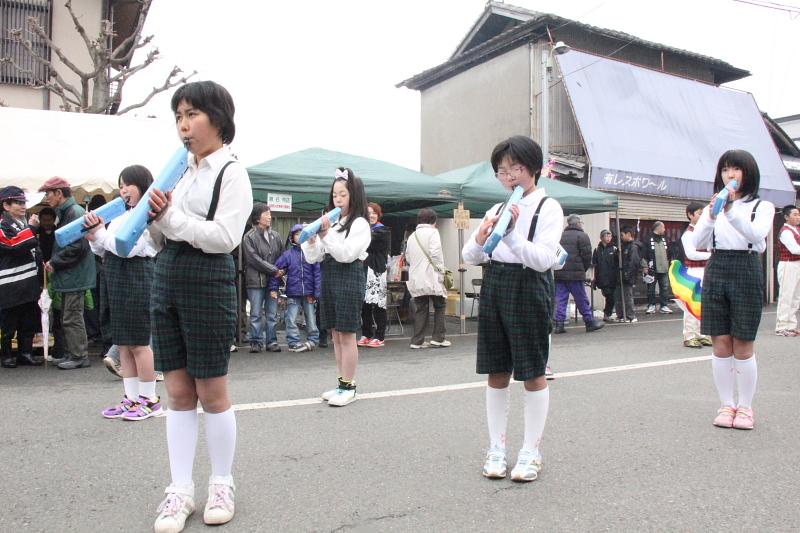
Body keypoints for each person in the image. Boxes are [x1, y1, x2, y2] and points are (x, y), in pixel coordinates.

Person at [147, 81, 252, 532]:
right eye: (178, 117)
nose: (183, 126)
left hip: (208, 280)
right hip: (167, 275)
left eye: (192, 115)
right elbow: (160, 238)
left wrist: (171, 218)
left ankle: (222, 482)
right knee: (177, 392)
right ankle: (180, 490)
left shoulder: (232, 172)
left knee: (211, 391)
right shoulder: (178, 172)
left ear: (218, 119)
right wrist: (154, 219)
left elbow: (225, 237)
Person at [462, 135, 563, 483]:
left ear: (532, 168)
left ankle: (531, 451)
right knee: (496, 371)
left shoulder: (549, 207)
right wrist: (482, 237)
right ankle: (497, 448)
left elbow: (544, 260)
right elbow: (470, 256)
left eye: (515, 169)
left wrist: (513, 236)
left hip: (529, 285)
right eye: (502, 171)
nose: (509, 177)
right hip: (496, 283)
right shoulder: (496, 208)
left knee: (532, 372)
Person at [693, 149, 774, 431]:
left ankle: (746, 407)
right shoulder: (713, 205)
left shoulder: (762, 206)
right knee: (721, 343)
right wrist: (712, 214)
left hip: (746, 267)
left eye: (736, 169)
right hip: (717, 267)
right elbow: (697, 242)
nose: (730, 175)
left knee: (743, 343)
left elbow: (756, 235)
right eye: (725, 169)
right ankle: (727, 404)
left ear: (748, 173)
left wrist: (730, 211)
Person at [84, 165, 162, 420]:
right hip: (116, 277)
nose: (123, 190)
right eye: (120, 186)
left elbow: (127, 248)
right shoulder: (120, 215)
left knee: (139, 343)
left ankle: (150, 399)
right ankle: (131, 398)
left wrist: (101, 234)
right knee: (125, 344)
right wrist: (94, 237)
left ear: (143, 185)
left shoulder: (148, 215)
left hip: (137, 276)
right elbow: (105, 249)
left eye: (128, 184)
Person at [302, 167, 370, 407]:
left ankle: (349, 387)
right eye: (334, 195)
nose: (338, 199)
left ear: (354, 195)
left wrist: (326, 235)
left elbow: (346, 254)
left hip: (349, 275)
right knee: (336, 334)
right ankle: (342, 383)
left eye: (343, 194)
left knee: (347, 333)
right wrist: (313, 240)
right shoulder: (334, 222)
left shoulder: (360, 223)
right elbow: (314, 257)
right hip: (330, 275)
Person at [38, 177, 96, 370]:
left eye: (48, 193)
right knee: (68, 315)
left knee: (72, 316)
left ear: (59, 193)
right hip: (72, 274)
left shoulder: (73, 212)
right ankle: (72, 354)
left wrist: (55, 261)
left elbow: (78, 246)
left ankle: (79, 356)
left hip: (75, 275)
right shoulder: (69, 211)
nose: (46, 198)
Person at [0, 186, 44, 368]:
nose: (23, 206)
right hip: (10, 283)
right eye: (18, 202)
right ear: (6, 205)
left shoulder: (23, 223)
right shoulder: (2, 225)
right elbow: (12, 245)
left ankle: (26, 353)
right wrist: (32, 229)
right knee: (8, 322)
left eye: (23, 202)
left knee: (28, 320)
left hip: (28, 281)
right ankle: (6, 355)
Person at [404, 208, 451, 349]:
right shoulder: (433, 232)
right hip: (431, 276)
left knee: (421, 308)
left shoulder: (412, 236)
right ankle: (438, 338)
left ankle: (417, 341)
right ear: (433, 220)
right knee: (440, 305)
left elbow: (408, 257)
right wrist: (441, 272)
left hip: (416, 277)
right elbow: (436, 255)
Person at [242, 204, 284, 353]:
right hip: (255, 280)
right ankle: (256, 342)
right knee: (255, 313)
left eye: (270, 214)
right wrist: (275, 270)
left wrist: (282, 269)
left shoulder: (276, 236)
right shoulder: (249, 236)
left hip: (273, 281)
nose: (269, 216)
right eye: (266, 214)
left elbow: (282, 256)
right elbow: (253, 259)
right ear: (257, 217)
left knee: (272, 313)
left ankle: (272, 341)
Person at [553, 214, 604, 333]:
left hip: (560, 272)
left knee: (560, 299)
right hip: (575, 274)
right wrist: (582, 269)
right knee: (581, 298)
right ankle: (589, 321)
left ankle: (559, 325)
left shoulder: (560, 236)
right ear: (578, 223)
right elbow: (587, 256)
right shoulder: (582, 236)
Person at [274, 224, 321, 352]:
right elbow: (276, 271)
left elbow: (317, 274)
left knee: (311, 318)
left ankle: (313, 340)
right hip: (293, 292)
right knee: (291, 318)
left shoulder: (312, 252)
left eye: (302, 234)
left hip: (309, 292)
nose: (299, 236)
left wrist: (317, 293)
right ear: (292, 238)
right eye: (297, 234)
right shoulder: (287, 254)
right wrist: (274, 288)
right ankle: (293, 342)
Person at [679, 202, 712, 348]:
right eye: (699, 213)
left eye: (703, 213)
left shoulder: (704, 231)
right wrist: (711, 255)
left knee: (703, 304)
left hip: (705, 270)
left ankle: (701, 334)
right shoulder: (688, 234)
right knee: (691, 305)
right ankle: (689, 336)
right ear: (690, 215)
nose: (702, 216)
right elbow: (691, 254)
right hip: (694, 271)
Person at [358, 203, 391, 348]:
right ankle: (366, 334)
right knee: (364, 305)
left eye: (374, 213)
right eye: (368, 213)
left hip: (377, 270)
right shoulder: (363, 230)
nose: (371, 215)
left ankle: (380, 336)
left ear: (378, 215)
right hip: (363, 270)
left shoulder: (383, 231)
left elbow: (370, 244)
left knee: (378, 304)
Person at [774, 205, 800, 336]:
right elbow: (794, 249)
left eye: (798, 214)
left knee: (796, 296)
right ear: (786, 217)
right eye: (794, 214)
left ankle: (791, 325)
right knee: (786, 295)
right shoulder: (785, 231)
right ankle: (782, 326)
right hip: (788, 264)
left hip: (797, 264)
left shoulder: (797, 230)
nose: (798, 217)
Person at [643, 221, 673, 314]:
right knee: (651, 288)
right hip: (652, 268)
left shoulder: (665, 239)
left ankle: (664, 305)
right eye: (663, 227)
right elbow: (643, 254)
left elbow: (669, 253)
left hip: (664, 267)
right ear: (658, 228)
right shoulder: (648, 239)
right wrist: (644, 266)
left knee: (664, 287)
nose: (664, 229)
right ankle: (651, 305)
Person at [614, 226, 642, 323]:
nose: (621, 237)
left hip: (627, 275)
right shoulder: (623, 246)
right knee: (618, 297)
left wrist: (628, 274)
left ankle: (630, 316)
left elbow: (633, 262)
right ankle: (621, 315)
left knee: (627, 297)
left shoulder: (633, 247)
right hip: (620, 275)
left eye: (622, 235)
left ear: (628, 234)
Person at [592, 229, 617, 322]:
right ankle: (607, 314)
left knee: (612, 297)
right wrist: (594, 278)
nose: (608, 238)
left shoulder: (614, 249)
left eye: (610, 236)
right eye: (606, 236)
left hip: (612, 277)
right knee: (609, 296)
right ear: (601, 237)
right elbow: (594, 265)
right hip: (602, 277)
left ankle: (607, 313)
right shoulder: (597, 249)